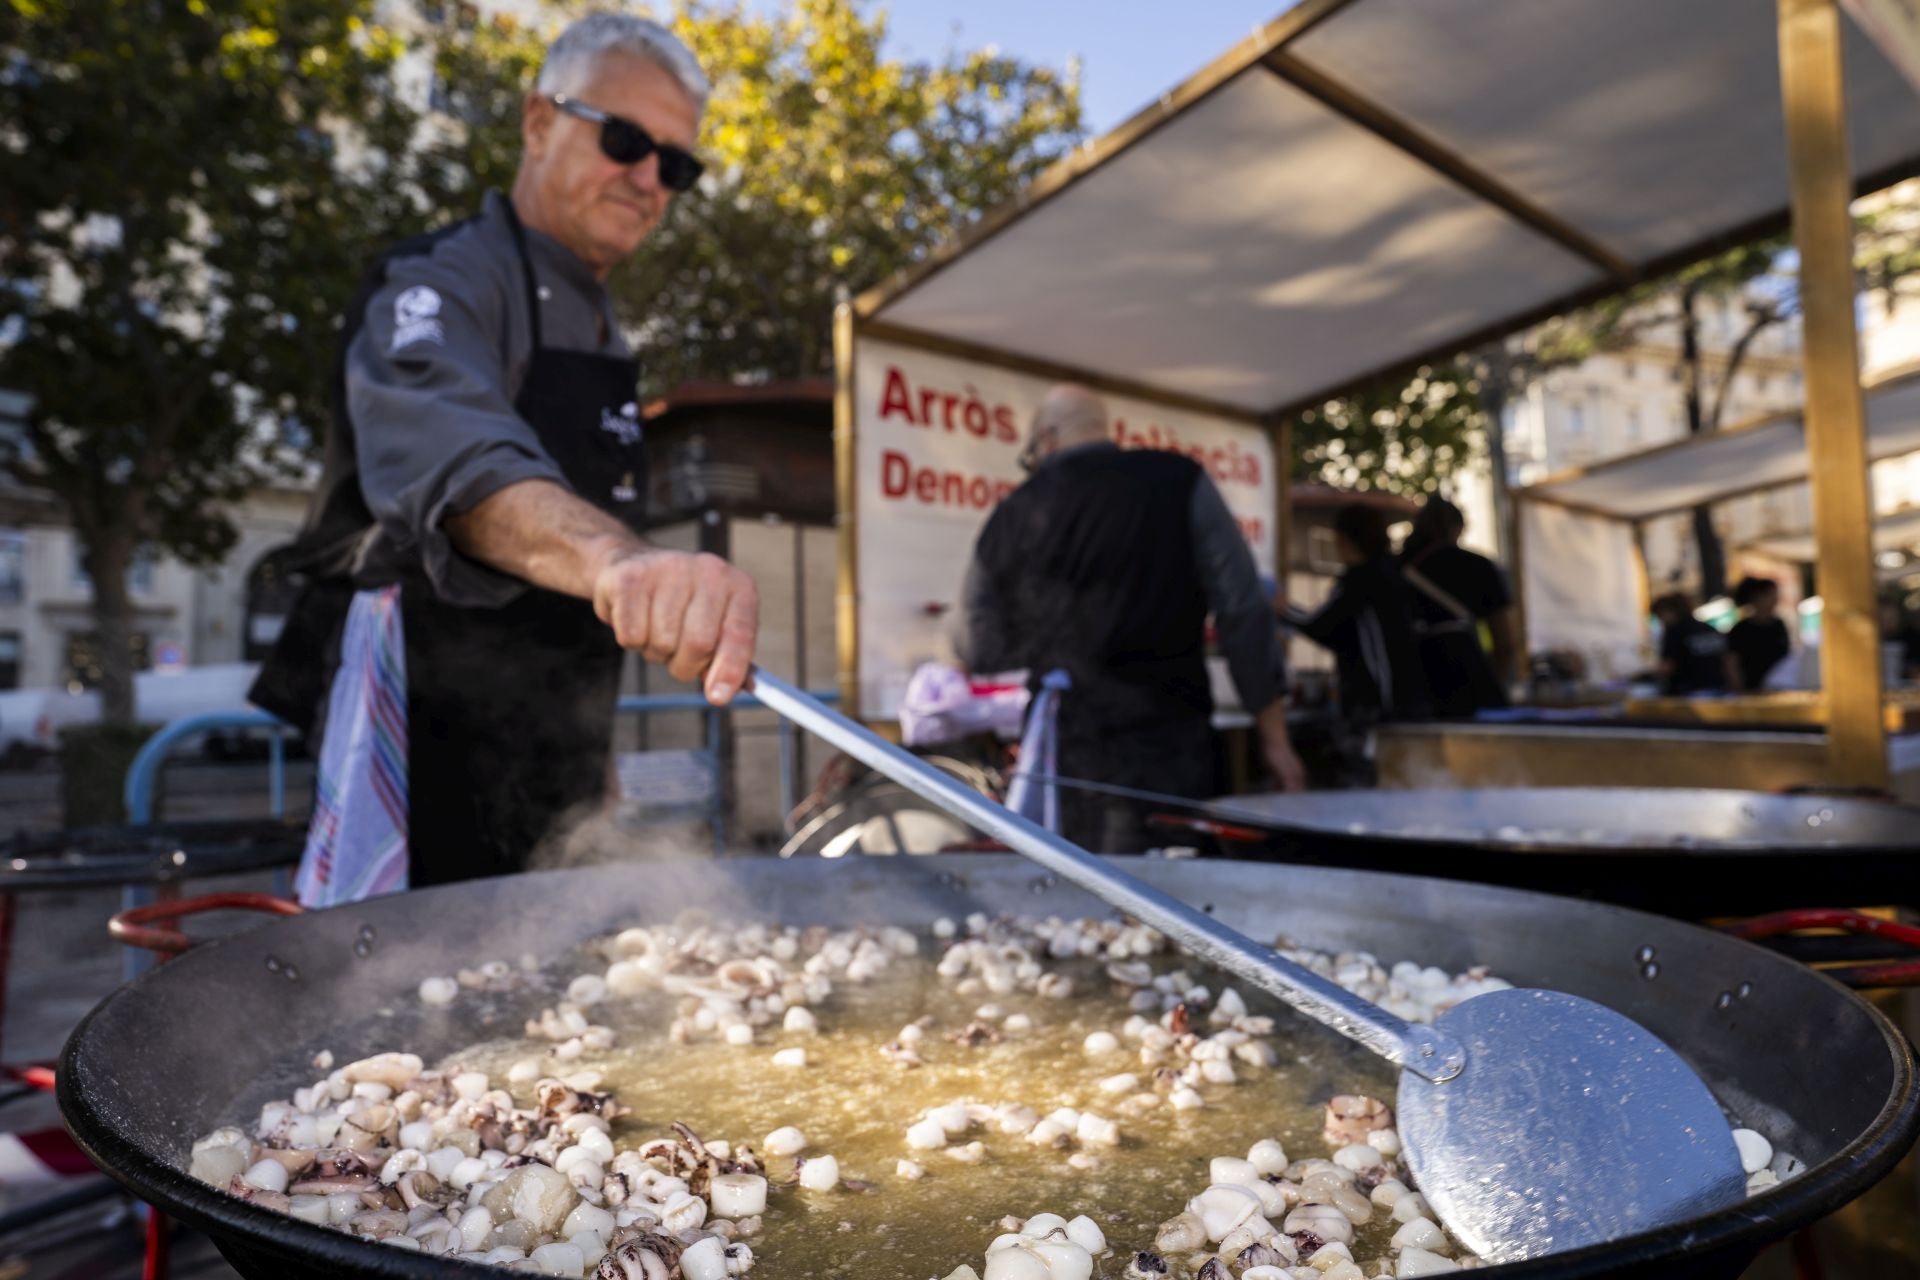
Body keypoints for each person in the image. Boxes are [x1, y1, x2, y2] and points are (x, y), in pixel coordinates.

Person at [251, 15, 757, 901]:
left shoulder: (604, 324)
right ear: (536, 122)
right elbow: (453, 447)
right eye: (627, 139)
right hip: (424, 719)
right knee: (402, 997)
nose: (647, 178)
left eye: (675, 165)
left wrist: (586, 754)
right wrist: (620, 560)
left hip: (547, 730)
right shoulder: (440, 277)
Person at [960, 384, 1305, 853]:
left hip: (1071, 761)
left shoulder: (1011, 514)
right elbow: (1242, 607)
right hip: (1174, 747)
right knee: (1182, 902)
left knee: (1087, 905)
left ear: (1047, 438)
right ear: (1105, 431)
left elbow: (976, 644)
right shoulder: (1179, 480)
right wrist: (1275, 741)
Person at [1280, 504, 1430, 781]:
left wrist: (1280, 608)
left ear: (1343, 539)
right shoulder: (1394, 575)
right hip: (1412, 699)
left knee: (1368, 779)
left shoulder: (1360, 580)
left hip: (1376, 705)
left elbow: (1320, 624)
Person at [1398, 497, 1519, 717]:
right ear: (1457, 529)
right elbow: (1505, 641)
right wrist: (1495, 682)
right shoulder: (1478, 567)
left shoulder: (1396, 569)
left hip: (1412, 692)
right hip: (1469, 686)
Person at [1651, 593, 1728, 696]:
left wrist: (1645, 674)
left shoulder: (1675, 631)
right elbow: (1728, 661)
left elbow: (1667, 667)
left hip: (1689, 692)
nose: (1661, 620)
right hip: (1720, 690)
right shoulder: (1708, 629)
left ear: (1669, 611)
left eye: (1660, 615)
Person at [1725, 576, 1791, 692]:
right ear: (1756, 597)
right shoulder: (1741, 629)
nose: (1774, 600)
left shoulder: (1779, 625)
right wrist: (1739, 691)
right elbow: (1732, 664)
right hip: (1751, 691)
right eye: (1769, 595)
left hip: (1780, 688)